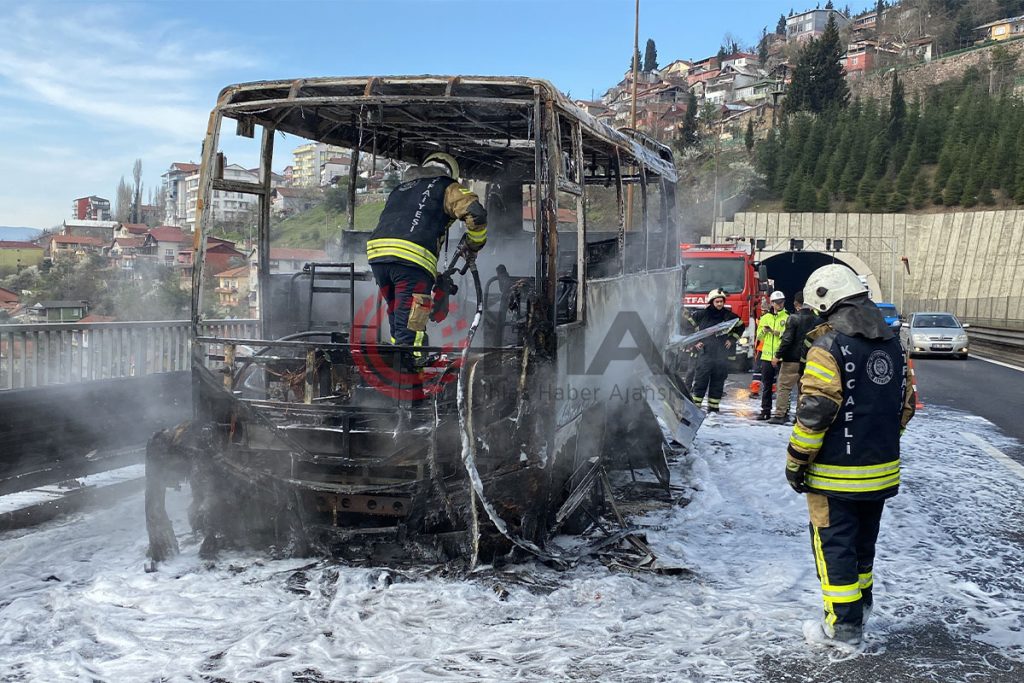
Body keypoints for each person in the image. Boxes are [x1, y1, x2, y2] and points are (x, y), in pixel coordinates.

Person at [784, 264, 916, 649]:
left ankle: (842, 629)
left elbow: (814, 414)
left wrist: (796, 463)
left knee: (834, 548)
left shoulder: (828, 347)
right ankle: (862, 611)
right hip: (881, 472)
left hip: (833, 475)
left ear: (825, 300)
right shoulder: (893, 345)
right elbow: (905, 405)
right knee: (862, 547)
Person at [366, 152, 487, 369]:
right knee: (412, 323)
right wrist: (474, 243)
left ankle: (400, 369)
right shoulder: (447, 186)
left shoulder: (400, 188)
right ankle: (411, 380)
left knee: (398, 316)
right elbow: (476, 213)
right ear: (451, 173)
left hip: (378, 256)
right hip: (411, 260)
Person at [684, 289, 741, 413]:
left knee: (718, 382)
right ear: (711, 302)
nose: (720, 304)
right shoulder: (702, 314)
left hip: (721, 355)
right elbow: (688, 327)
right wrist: (695, 342)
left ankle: (714, 409)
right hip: (705, 354)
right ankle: (696, 407)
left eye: (721, 301)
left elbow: (740, 326)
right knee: (700, 381)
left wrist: (731, 340)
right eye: (717, 301)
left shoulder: (728, 315)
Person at [769, 290, 821, 424]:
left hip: (791, 360)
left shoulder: (793, 318)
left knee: (784, 387)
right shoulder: (817, 320)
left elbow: (787, 340)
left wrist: (777, 356)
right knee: (803, 389)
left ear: (796, 304)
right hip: (809, 360)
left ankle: (780, 415)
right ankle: (800, 417)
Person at [755, 291, 788, 420]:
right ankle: (765, 411)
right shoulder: (765, 318)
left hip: (782, 357)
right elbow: (759, 337)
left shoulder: (787, 317)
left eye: (782, 302)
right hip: (767, 357)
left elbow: (788, 336)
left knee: (783, 387)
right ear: (772, 303)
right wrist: (764, 330)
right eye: (777, 302)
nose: (780, 304)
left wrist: (775, 332)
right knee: (767, 386)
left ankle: (783, 411)